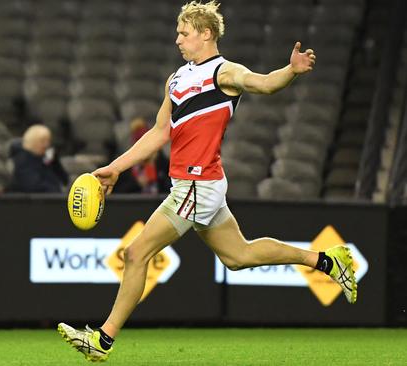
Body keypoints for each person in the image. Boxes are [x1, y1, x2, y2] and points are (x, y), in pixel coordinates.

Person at [57, 1, 357, 362]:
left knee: (136, 254)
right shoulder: (176, 79)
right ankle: (327, 261)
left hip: (197, 185)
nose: (178, 39)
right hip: (198, 185)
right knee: (238, 256)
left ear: (206, 34)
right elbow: (158, 133)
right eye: (178, 32)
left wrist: (290, 71)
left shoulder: (224, 72)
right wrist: (116, 168)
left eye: (184, 33)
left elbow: (263, 84)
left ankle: (102, 340)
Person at [9, 124, 68, 193]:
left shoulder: (47, 158)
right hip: (32, 201)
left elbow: (64, 180)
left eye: (48, 141)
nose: (46, 145)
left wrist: (54, 161)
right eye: (42, 141)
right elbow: (33, 186)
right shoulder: (23, 160)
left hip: (53, 199)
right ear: (32, 141)